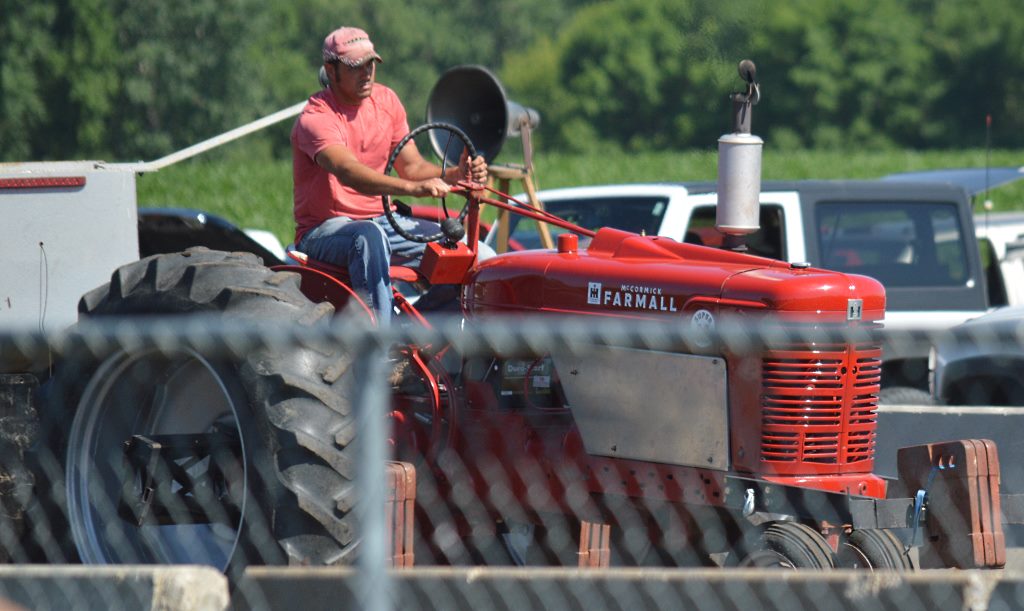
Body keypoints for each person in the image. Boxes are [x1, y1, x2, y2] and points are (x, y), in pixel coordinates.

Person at [291, 26, 489, 326]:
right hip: (325, 231)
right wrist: (413, 188)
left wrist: (455, 174)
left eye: (371, 64)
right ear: (331, 71)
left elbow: (413, 167)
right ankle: (379, 348)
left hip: (382, 222)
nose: (367, 73)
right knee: (369, 237)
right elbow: (348, 171)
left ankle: (412, 333)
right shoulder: (316, 118)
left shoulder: (387, 102)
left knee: (479, 258)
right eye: (356, 67)